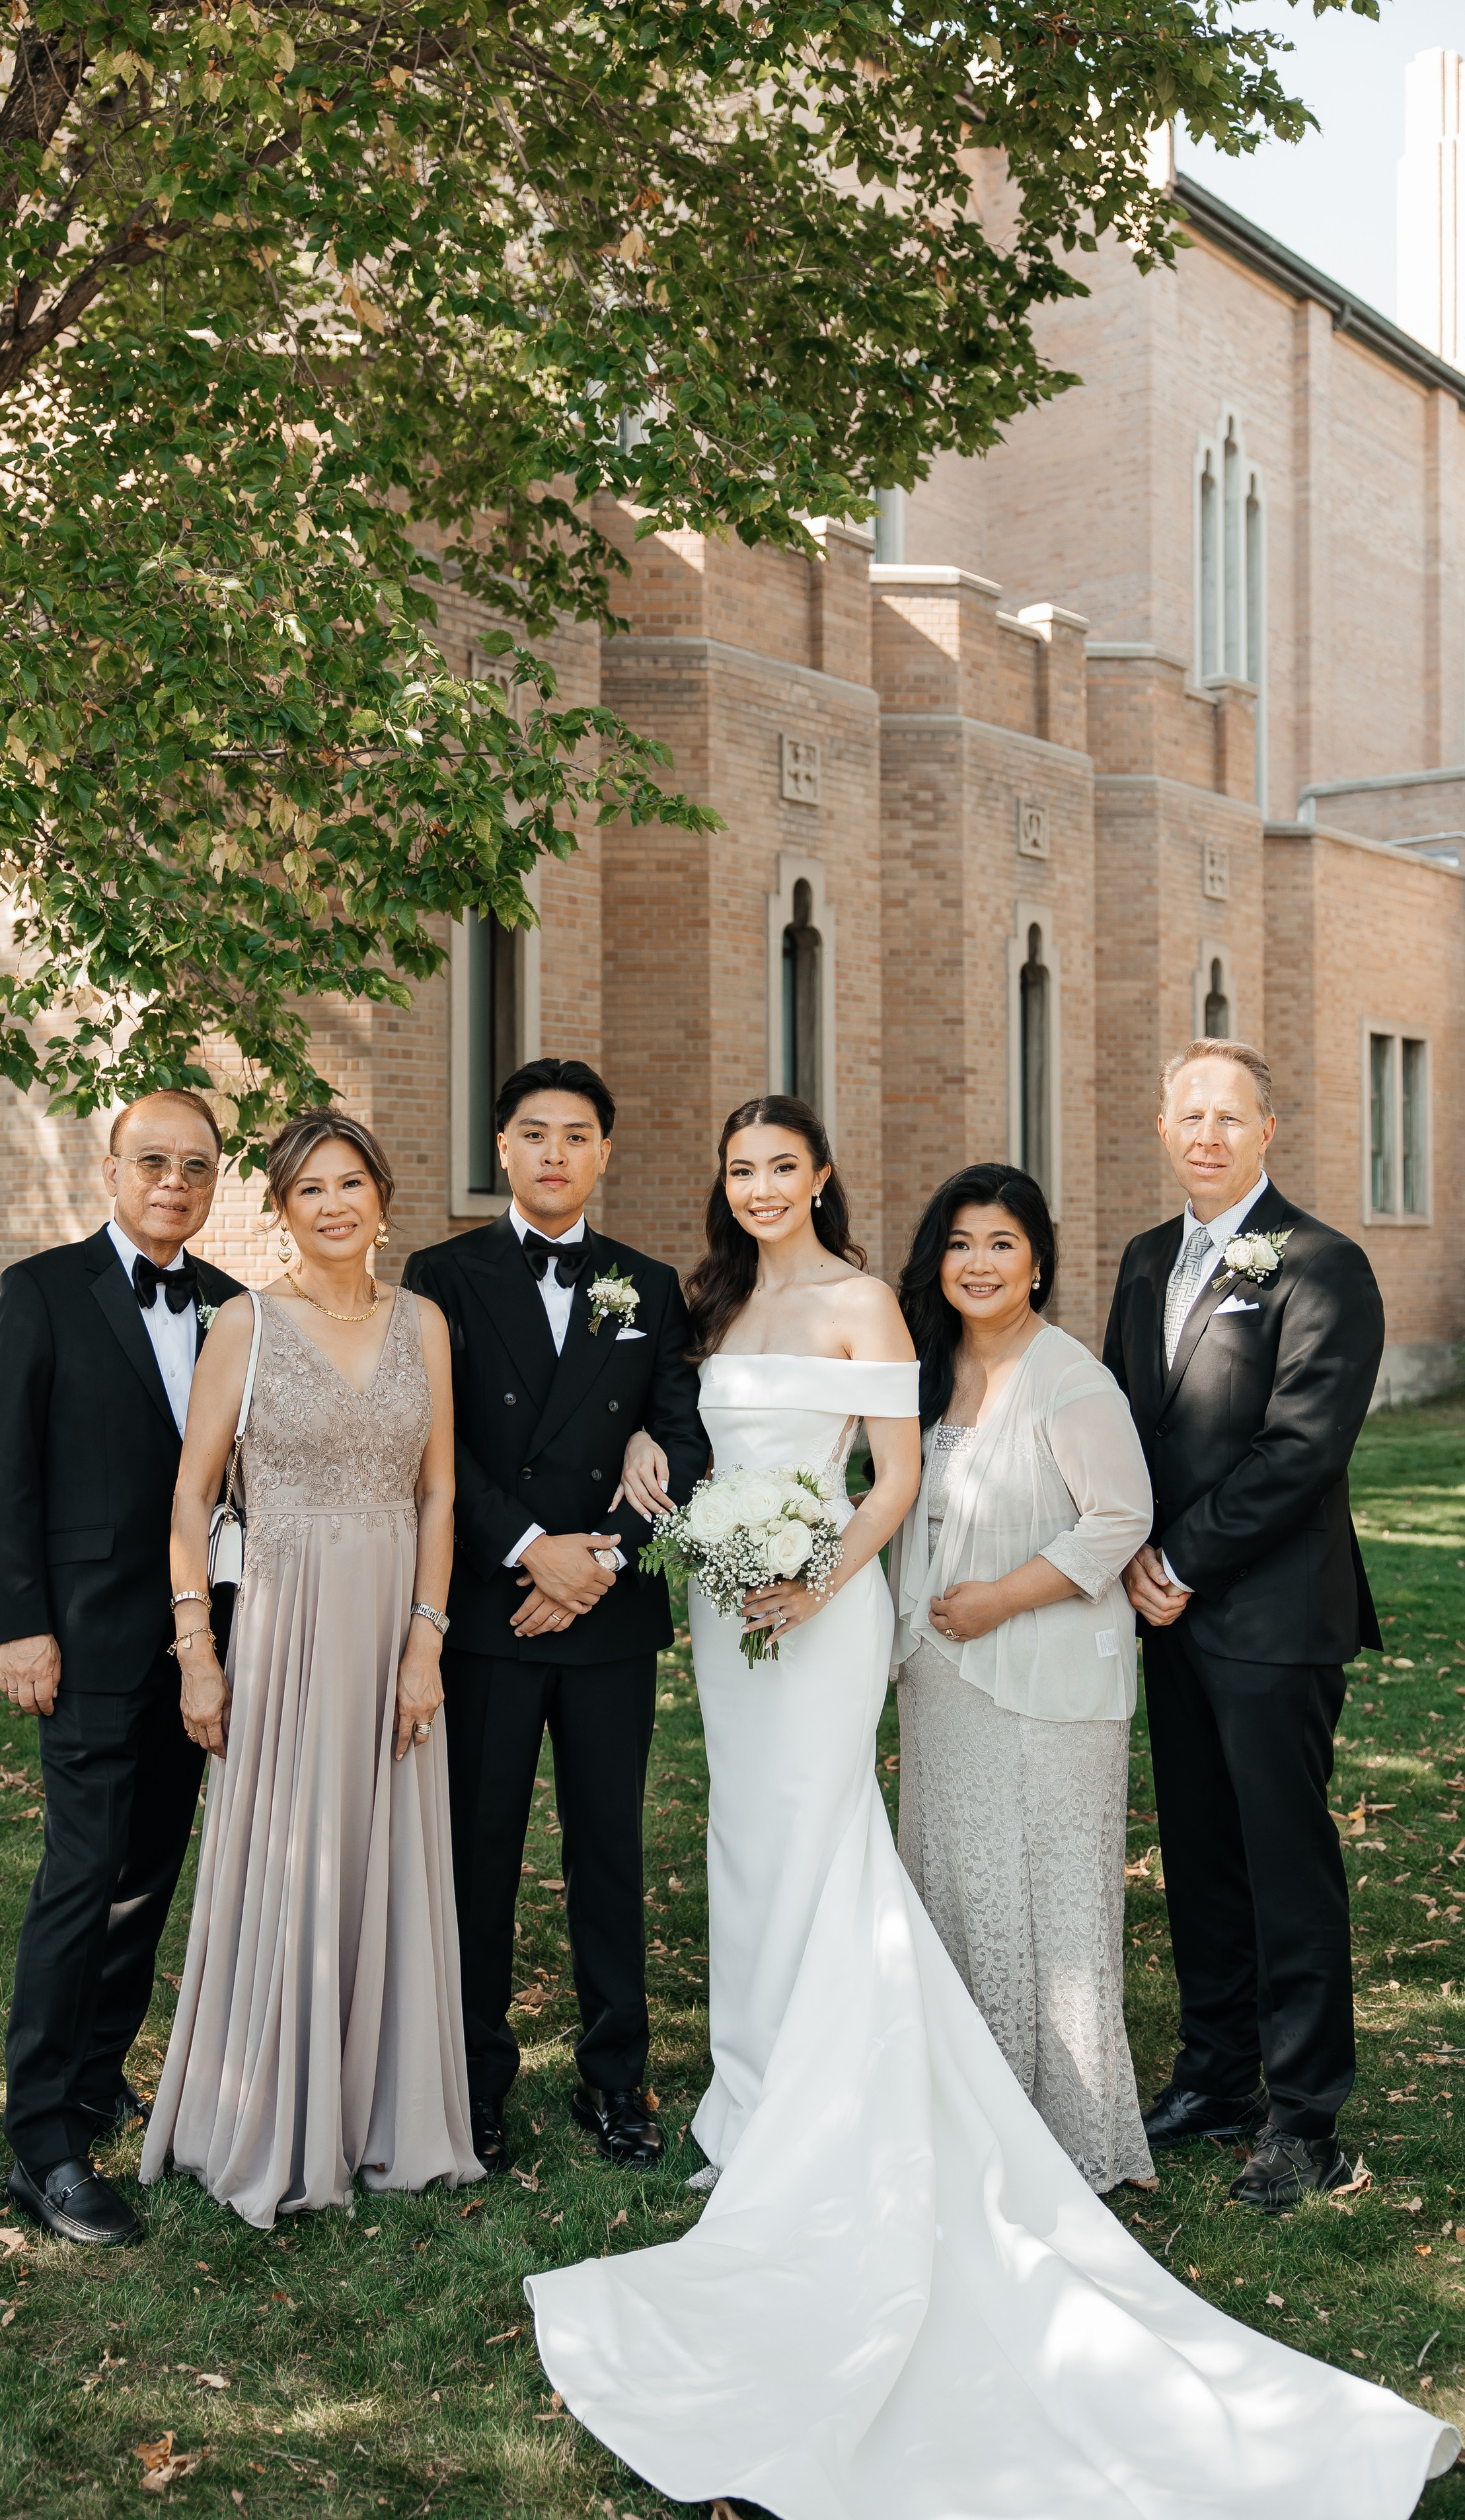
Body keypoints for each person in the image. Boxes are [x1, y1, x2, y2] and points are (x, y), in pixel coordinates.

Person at [521, 1098, 1455, 2520]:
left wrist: (815, 1580)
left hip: (821, 1601)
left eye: (784, 1164)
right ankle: (749, 2088)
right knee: (744, 1846)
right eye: (739, 1167)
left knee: (829, 1837)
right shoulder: (706, 1298)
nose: (760, 1185)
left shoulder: (866, 1308)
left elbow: (888, 1481)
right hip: (726, 1605)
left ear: (822, 1176)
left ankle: (856, 2107)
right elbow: (684, 1430)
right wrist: (663, 1477)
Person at [140, 1111, 480, 2225]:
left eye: (352, 1185)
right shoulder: (243, 1323)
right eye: (309, 1191)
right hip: (284, 1620)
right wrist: (197, 1649)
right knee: (292, 1852)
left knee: (384, 1845)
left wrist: (427, 1636)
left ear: (383, 1196)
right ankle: (273, 2112)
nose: (334, 1207)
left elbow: (437, 1491)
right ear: (282, 1210)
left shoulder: (422, 1322)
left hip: (391, 1609)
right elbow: (192, 1496)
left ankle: (390, 2114)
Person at [401, 1058, 710, 2174]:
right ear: (502, 1149)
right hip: (489, 1613)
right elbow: (437, 1447)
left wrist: (608, 1556)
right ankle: (471, 2084)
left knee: (609, 1857)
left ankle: (615, 2082)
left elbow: (684, 1438)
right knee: (477, 1859)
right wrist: (534, 1553)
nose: (554, 1154)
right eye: (534, 1134)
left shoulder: (652, 1282)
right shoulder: (439, 1274)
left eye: (577, 1136)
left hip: (610, 1624)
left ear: (604, 1152)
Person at [1104, 1038, 1386, 2213]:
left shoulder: (1325, 1264)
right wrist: (1125, 1546)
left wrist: (1179, 1555)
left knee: (1283, 1863)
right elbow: (1122, 1419)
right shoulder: (1143, 1259)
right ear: (1163, 1128)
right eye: (1190, 1116)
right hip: (1164, 1614)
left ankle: (1306, 2117)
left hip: (1271, 1617)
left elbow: (1301, 1450)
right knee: (1202, 1858)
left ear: (1268, 1131)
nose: (1209, 1135)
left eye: (1232, 1116)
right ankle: (1216, 2075)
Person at [0, 1089, 246, 2246]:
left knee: (147, 1877)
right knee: (81, 1877)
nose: (174, 1183)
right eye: (153, 1162)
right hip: (81, 1639)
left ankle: (96, 2080)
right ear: (110, 1169)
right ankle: (41, 2144)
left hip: (200, 1647)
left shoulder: (238, 1307)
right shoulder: (42, 1291)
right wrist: (19, 1625)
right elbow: (10, 1474)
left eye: (195, 1166)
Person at [890, 1163, 1154, 2193]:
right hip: (943, 1683)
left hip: (1048, 1682)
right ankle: (966, 2111)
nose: (979, 1263)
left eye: (1001, 1243)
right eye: (960, 1243)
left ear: (1037, 1260)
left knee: (1051, 1902)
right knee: (956, 1886)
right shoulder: (926, 1369)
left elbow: (1122, 1517)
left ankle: (1067, 2134)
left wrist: (1002, 1598)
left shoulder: (1070, 1377)